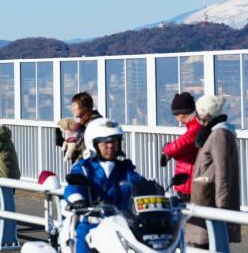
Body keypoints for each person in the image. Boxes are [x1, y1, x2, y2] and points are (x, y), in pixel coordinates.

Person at [64, 118, 147, 253]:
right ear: (94, 144)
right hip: (92, 224)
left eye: (114, 141)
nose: (110, 146)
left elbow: (144, 185)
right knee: (83, 244)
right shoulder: (84, 168)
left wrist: (164, 196)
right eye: (105, 142)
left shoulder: (125, 170)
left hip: (123, 225)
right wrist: (77, 199)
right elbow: (74, 185)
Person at [186, 95, 241, 247]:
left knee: (210, 244)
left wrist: (221, 207)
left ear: (205, 115)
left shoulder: (218, 135)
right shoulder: (216, 132)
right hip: (207, 199)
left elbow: (222, 171)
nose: (196, 118)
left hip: (210, 201)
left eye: (197, 115)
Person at [160, 92, 200, 201]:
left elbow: (176, 147)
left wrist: (166, 149)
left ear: (182, 113)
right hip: (187, 181)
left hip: (189, 183)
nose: (177, 119)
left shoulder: (196, 128)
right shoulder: (194, 126)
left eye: (176, 115)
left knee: (190, 217)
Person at [58, 92, 102, 162]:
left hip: (91, 165)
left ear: (85, 107)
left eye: (75, 105)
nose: (72, 108)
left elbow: (87, 147)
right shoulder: (83, 123)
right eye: (72, 105)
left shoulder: (94, 124)